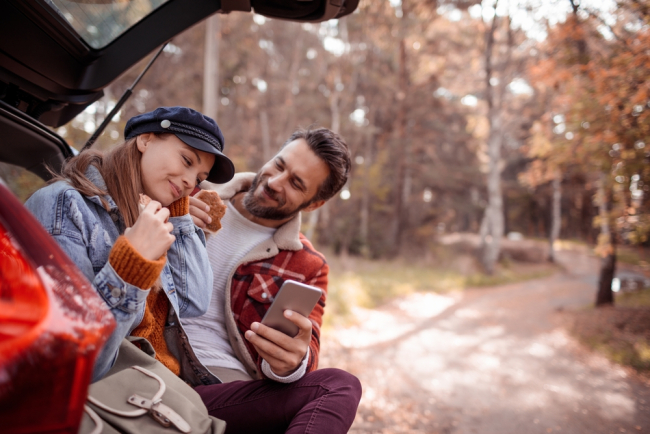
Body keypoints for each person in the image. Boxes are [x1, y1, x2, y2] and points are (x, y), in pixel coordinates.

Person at [25, 106, 235, 382]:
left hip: (160, 386)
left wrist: (179, 210)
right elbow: (71, 362)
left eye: (198, 180)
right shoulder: (65, 206)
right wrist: (131, 265)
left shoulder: (150, 213)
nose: (189, 182)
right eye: (186, 160)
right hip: (110, 396)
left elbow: (193, 301)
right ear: (146, 139)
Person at [182, 127, 362, 434]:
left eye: (296, 183)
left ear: (314, 203)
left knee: (340, 387)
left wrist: (291, 364)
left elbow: (306, 351)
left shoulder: (308, 264)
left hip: (224, 394)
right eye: (279, 165)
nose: (275, 182)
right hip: (153, 360)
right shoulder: (188, 192)